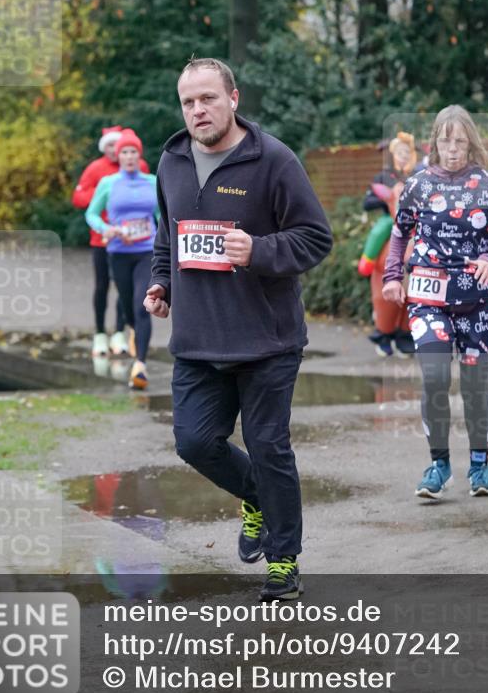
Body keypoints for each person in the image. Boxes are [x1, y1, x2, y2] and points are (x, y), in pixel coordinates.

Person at [143, 57, 332, 601]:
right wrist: (163, 284)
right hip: (199, 339)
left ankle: (283, 560)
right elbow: (168, 233)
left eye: (208, 98)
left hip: (267, 339)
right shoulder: (172, 160)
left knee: (269, 445)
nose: (198, 110)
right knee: (195, 442)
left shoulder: (273, 160)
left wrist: (261, 250)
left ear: (233, 98)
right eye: (188, 101)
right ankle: (257, 498)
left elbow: (315, 238)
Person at [382, 105, 488, 500]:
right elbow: (399, 233)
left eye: (460, 140)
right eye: (446, 140)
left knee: (476, 387)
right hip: (429, 298)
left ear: (470, 142)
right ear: (435, 141)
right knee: (435, 376)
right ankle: (438, 465)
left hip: (479, 300)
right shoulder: (418, 185)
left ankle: (479, 465)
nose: (453, 148)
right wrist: (393, 277)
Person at [86, 129, 158, 390]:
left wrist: (164, 242)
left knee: (143, 305)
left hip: (147, 251)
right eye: (125, 152)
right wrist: (106, 229)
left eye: (134, 152)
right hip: (118, 252)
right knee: (128, 307)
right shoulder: (108, 183)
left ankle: (140, 365)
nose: (129, 156)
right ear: (118, 156)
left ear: (139, 155)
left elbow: (162, 216)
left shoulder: (152, 182)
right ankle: (131, 332)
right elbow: (91, 214)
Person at [72, 126, 150, 358]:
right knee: (102, 286)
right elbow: (79, 198)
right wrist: (105, 196)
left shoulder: (141, 169)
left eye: (129, 151)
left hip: (136, 242)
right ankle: (99, 334)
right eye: (111, 147)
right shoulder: (97, 170)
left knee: (125, 288)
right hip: (102, 239)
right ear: (106, 148)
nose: (119, 154)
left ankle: (119, 332)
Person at [359, 131, 418, 357]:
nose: (403, 157)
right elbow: (368, 201)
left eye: (407, 153)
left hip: (414, 224)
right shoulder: (383, 177)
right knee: (381, 230)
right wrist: (385, 198)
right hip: (390, 218)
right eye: (399, 153)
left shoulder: (417, 175)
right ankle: (368, 258)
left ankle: (405, 333)